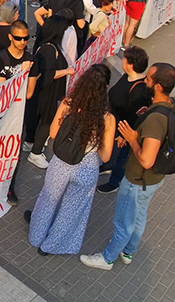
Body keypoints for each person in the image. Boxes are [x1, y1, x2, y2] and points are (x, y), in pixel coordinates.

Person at [81, 62, 175, 270]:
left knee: (124, 221)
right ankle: (128, 251)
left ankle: (108, 258)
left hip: (137, 180)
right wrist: (133, 137)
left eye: (149, 79)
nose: (145, 82)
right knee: (139, 215)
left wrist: (133, 139)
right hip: (152, 180)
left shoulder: (155, 121)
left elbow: (147, 159)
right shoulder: (169, 105)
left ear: (158, 86)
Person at [26, 64, 116, 256]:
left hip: (61, 162)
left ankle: (36, 234)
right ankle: (50, 246)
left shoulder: (69, 104)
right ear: (106, 87)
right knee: (72, 209)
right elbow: (106, 156)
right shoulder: (107, 118)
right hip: (87, 167)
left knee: (48, 199)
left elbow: (52, 133)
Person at [98, 47, 152, 194]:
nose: (122, 60)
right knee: (110, 149)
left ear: (131, 65)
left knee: (121, 156)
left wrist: (123, 135)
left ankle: (115, 181)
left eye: (125, 59)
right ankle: (107, 164)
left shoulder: (139, 90)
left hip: (123, 130)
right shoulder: (128, 76)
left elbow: (135, 116)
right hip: (114, 123)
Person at [27, 15, 75, 168]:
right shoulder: (50, 49)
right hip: (47, 93)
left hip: (45, 92)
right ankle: (35, 153)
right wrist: (67, 71)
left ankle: (31, 143)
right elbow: (48, 74)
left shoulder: (46, 46)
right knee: (46, 122)